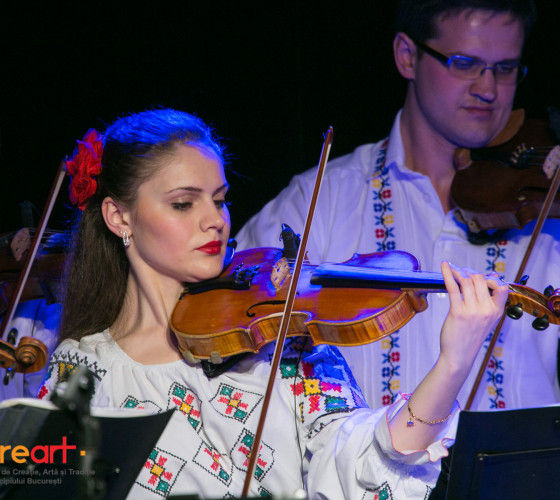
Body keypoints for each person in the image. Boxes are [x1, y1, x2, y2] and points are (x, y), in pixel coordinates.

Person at [36, 108, 507, 499]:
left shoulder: (280, 336)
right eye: (183, 203)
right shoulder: (82, 370)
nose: (215, 220)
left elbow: (363, 459)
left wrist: (453, 363)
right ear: (119, 217)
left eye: (219, 200)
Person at [235, 0, 560, 412]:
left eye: (506, 68)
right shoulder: (322, 197)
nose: (489, 89)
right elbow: (235, 320)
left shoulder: (543, 205)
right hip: (369, 456)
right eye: (464, 63)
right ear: (407, 56)